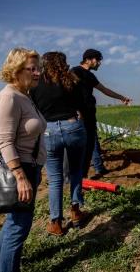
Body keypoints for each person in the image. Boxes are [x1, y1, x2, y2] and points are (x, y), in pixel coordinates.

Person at [0, 48, 47, 272]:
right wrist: (21, 178)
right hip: (20, 170)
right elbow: (4, 141)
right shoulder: (9, 97)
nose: (38, 73)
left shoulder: (24, 95)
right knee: (19, 227)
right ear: (15, 70)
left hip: (30, 167)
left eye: (38, 68)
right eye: (32, 69)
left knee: (14, 222)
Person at [29, 52, 88, 236]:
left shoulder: (36, 84)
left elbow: (35, 109)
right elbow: (81, 105)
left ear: (44, 64)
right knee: (76, 171)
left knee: (55, 180)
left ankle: (56, 223)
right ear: (63, 63)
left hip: (49, 131)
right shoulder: (72, 80)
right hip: (73, 128)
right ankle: (76, 212)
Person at [70, 49, 131, 179]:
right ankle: (74, 178)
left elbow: (104, 89)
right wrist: (75, 110)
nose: (99, 63)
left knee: (91, 144)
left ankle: (89, 173)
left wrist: (121, 97)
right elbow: (68, 92)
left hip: (90, 114)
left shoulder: (91, 76)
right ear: (87, 60)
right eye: (97, 60)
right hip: (79, 116)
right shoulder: (75, 72)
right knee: (80, 146)